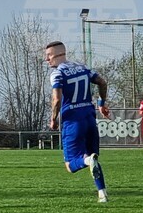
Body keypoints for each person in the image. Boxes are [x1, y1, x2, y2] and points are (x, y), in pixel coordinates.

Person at [45, 41, 110, 203]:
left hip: (72, 121)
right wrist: (102, 104)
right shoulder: (82, 68)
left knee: (71, 165)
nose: (47, 60)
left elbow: (57, 99)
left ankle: (88, 161)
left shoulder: (57, 73)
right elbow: (102, 82)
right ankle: (102, 193)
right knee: (93, 156)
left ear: (59, 54)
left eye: (49, 56)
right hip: (89, 117)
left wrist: (53, 119)